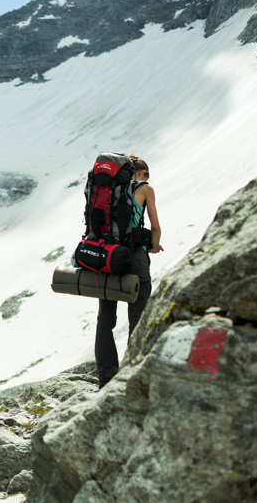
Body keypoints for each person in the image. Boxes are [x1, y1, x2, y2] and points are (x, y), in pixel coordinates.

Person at [95, 155, 163, 388]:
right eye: (146, 173)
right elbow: (155, 226)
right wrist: (154, 244)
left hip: (107, 256)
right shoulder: (144, 189)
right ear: (139, 171)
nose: (148, 178)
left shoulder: (105, 187)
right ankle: (133, 374)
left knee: (105, 319)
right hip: (134, 256)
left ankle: (105, 377)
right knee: (138, 315)